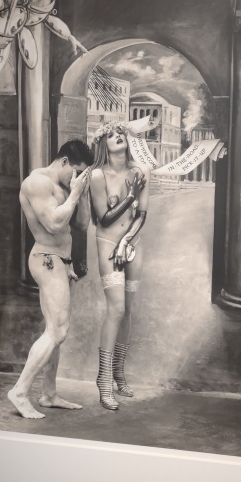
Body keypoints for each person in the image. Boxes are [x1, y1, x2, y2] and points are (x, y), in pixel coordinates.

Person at [7, 140, 93, 419]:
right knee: (58, 331)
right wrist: (74, 194)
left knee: (54, 331)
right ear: (64, 161)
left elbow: (81, 224)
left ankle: (49, 394)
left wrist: (82, 192)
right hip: (46, 259)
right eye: (76, 172)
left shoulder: (67, 185)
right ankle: (19, 392)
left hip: (62, 261)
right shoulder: (37, 183)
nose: (76, 178)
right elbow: (54, 224)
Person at [89, 121, 150, 410]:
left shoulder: (141, 171)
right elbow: (104, 219)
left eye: (120, 133)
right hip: (107, 245)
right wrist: (130, 196)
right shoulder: (97, 175)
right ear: (103, 144)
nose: (117, 137)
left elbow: (143, 214)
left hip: (132, 244)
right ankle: (103, 379)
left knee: (128, 311)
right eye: (111, 135)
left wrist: (126, 241)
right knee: (116, 309)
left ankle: (118, 373)